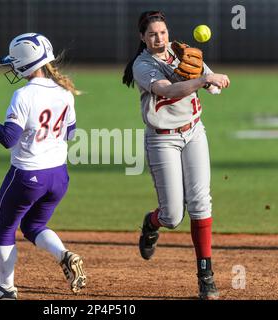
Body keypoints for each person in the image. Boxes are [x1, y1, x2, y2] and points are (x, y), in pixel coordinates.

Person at [122, 11, 230, 300]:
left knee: (200, 201)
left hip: (194, 131)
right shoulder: (142, 65)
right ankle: (151, 223)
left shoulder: (182, 52)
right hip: (162, 140)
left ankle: (205, 276)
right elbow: (168, 89)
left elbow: (212, 86)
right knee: (172, 216)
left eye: (163, 32)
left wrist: (213, 82)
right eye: (153, 34)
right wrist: (203, 79)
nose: (160, 38)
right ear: (142, 38)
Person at [0, 33, 86, 300]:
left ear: (26, 62)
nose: (12, 67)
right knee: (33, 226)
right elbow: (70, 133)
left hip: (27, 176)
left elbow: (8, 139)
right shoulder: (65, 92)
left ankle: (5, 289)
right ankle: (64, 255)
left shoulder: (23, 95)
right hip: (59, 176)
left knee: (5, 229)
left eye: (15, 62)